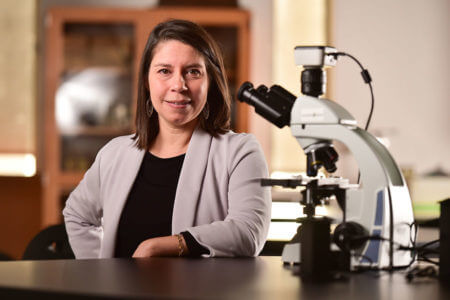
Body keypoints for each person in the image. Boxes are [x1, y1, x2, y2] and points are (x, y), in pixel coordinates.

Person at [63, 19, 271, 259]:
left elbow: (249, 232)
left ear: (210, 82)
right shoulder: (114, 153)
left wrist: (165, 245)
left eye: (193, 72)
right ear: (146, 81)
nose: (178, 85)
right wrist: (102, 273)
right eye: (164, 71)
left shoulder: (240, 151)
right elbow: (77, 215)